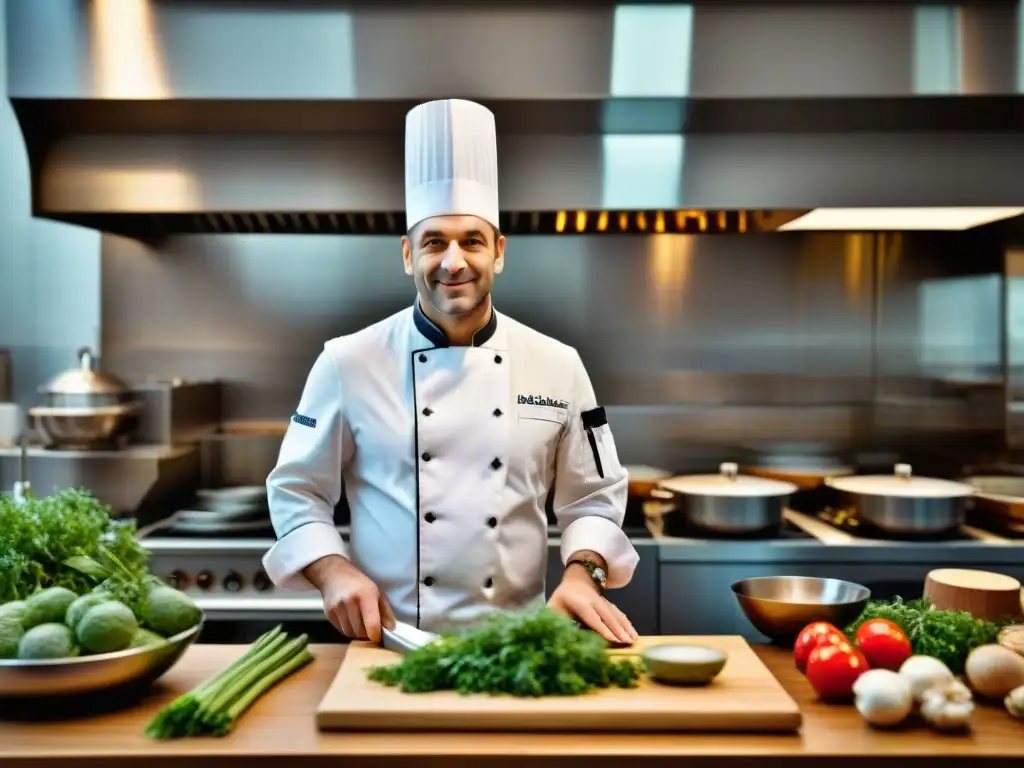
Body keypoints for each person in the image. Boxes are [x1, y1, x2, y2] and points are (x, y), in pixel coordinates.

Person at [262, 98, 639, 647]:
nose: (453, 261)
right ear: (407, 253)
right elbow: (296, 488)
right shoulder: (347, 362)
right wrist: (332, 569)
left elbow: (594, 498)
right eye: (434, 241)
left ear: (500, 252)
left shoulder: (558, 364)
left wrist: (584, 572)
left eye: (473, 241)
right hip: (389, 646)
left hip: (520, 648)